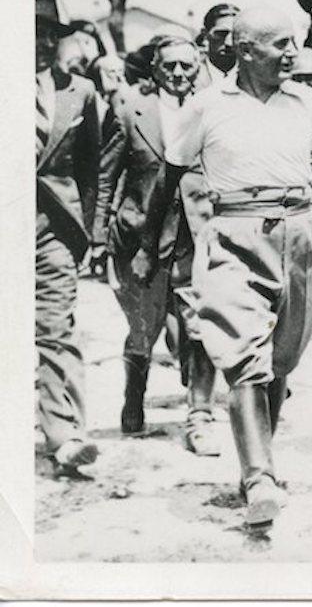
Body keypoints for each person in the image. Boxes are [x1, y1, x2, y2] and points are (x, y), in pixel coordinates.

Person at [150, 6, 312, 527]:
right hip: (234, 233)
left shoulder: (307, 101)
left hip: (299, 235)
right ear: (246, 51)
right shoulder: (208, 105)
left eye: (295, 43)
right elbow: (170, 173)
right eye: (281, 45)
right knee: (245, 356)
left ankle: (258, 457)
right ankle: (259, 478)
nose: (293, 53)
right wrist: (149, 241)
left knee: (281, 358)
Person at [93, 33, 219, 456]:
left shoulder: (213, 107)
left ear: (198, 65)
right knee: (142, 330)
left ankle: (199, 413)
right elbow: (107, 175)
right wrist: (97, 236)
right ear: (155, 69)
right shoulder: (131, 109)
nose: (179, 74)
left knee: (200, 323)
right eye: (170, 67)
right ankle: (133, 399)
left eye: (187, 66)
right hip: (140, 235)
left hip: (196, 235)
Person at [35, 0, 102, 477]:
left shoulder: (79, 93)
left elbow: (90, 170)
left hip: (52, 228)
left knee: (55, 328)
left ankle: (65, 435)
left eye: (45, 32)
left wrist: (87, 234)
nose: (37, 42)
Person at [197, 3, 240, 88]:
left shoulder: (256, 78)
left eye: (235, 35)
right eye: (221, 34)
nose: (229, 43)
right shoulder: (190, 77)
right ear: (205, 34)